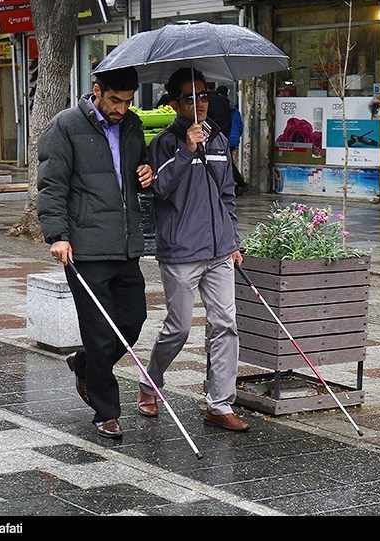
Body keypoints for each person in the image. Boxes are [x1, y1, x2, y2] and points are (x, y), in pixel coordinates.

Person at [37, 67, 154, 440]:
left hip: (125, 245)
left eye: (128, 101)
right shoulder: (66, 126)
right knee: (100, 331)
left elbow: (140, 169)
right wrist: (57, 234)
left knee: (133, 322)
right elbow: (51, 184)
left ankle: (85, 363)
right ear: (97, 91)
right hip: (84, 247)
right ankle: (106, 411)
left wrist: (147, 173)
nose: (122, 108)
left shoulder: (133, 126)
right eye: (115, 100)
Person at [140, 67, 251, 432]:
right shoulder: (164, 144)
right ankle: (150, 382)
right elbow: (159, 190)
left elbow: (227, 194)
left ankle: (219, 404)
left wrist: (232, 240)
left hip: (219, 250)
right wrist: (187, 150)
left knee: (226, 325)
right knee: (178, 327)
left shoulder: (218, 139)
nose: (200, 103)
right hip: (181, 251)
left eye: (203, 95)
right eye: (189, 97)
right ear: (173, 103)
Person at [209, 85, 248, 196]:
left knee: (226, 162)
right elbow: (240, 126)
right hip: (232, 138)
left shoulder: (216, 105)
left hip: (224, 137)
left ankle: (238, 183)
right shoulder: (232, 108)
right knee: (227, 160)